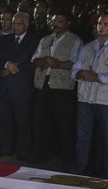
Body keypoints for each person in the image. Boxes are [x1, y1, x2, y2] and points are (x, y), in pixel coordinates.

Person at [71, 11, 108, 179]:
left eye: (106, 24)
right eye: (99, 24)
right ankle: (79, 170)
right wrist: (81, 73)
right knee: (83, 137)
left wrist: (97, 77)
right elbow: (75, 70)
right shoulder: (88, 47)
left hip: (106, 100)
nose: (101, 27)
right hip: (86, 98)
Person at [30, 11, 82, 167]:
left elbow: (76, 63)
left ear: (67, 23)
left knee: (64, 122)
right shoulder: (46, 39)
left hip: (62, 86)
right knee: (40, 120)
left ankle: (66, 156)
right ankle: (41, 153)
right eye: (53, 20)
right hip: (43, 83)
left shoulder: (75, 40)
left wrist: (57, 64)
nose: (55, 23)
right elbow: (34, 60)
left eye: (60, 20)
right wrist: (44, 61)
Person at [0, 12, 40, 160]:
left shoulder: (34, 40)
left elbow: (34, 61)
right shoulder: (6, 39)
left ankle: (23, 150)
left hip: (22, 86)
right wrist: (8, 64)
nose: (15, 26)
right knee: (4, 118)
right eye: (14, 23)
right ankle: (4, 147)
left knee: (23, 120)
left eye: (19, 23)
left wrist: (15, 68)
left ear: (26, 24)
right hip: (5, 85)